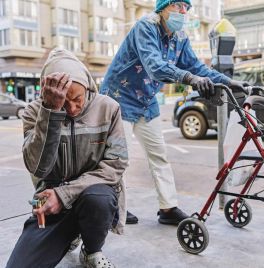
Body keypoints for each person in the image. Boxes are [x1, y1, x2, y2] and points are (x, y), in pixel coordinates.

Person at [100, 0, 248, 225]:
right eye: (177, 5)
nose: (183, 11)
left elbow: (197, 67)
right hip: (120, 98)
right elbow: (155, 66)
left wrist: (228, 81)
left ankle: (168, 209)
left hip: (147, 102)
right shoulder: (146, 26)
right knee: (119, 158)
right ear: (163, 8)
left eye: (186, 7)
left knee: (159, 155)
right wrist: (190, 79)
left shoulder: (180, 37)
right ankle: (113, 208)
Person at [6, 48, 128, 268]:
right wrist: (50, 113)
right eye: (64, 103)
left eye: (77, 99)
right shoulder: (34, 112)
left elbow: (115, 165)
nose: (71, 109)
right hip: (49, 200)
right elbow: (38, 168)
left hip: (89, 194)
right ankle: (70, 234)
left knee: (99, 199)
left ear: (89, 87)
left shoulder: (108, 108)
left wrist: (63, 194)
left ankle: (91, 250)